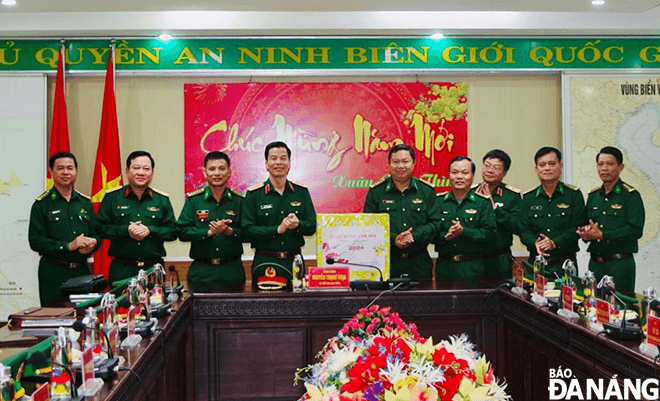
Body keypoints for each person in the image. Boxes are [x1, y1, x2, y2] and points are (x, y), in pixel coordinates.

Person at [242, 141, 316, 289]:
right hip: (265, 261)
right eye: (273, 158)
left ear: (289, 163)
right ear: (266, 164)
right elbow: (246, 231)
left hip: (294, 261)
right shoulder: (254, 194)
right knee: (263, 309)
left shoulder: (301, 192)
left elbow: (312, 226)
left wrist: (298, 224)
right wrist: (277, 230)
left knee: (298, 308)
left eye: (283, 158)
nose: (278, 162)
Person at [28, 152, 99, 306]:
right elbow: (35, 241)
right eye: (60, 168)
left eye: (70, 168)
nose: (65, 172)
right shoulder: (42, 204)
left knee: (83, 318)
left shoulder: (84, 203)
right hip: (54, 273)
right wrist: (69, 246)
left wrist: (93, 243)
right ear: (51, 172)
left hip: (81, 272)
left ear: (76, 171)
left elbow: (96, 234)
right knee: (55, 319)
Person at [97, 150, 177, 285]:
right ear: (127, 171)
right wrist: (126, 231)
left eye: (146, 169)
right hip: (122, 269)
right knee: (121, 306)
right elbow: (99, 228)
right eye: (136, 168)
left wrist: (150, 230)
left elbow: (173, 231)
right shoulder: (112, 198)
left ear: (152, 172)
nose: (141, 172)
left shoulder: (161, 200)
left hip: (153, 270)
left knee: (155, 306)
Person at [363, 144, 441, 279]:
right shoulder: (376, 192)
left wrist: (413, 237)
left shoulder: (426, 191)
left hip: (419, 263)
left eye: (405, 161)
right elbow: (368, 225)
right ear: (389, 164)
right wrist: (394, 239)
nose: (400, 166)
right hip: (387, 262)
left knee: (422, 300)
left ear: (414, 163)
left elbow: (435, 223)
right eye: (395, 162)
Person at [577, 146, 644, 293]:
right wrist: (584, 232)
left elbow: (635, 230)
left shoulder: (630, 196)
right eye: (600, 164)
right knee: (592, 309)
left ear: (620, 167)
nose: (604, 168)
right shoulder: (594, 196)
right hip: (595, 264)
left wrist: (603, 235)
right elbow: (585, 224)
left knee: (618, 310)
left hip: (619, 266)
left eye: (609, 164)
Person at [177, 151, 245, 290]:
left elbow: (250, 232)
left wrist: (229, 231)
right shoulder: (194, 201)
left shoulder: (239, 201)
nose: (217, 173)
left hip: (232, 271)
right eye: (212, 169)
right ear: (205, 172)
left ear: (229, 172)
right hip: (201, 272)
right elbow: (181, 232)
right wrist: (208, 232)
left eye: (221, 168)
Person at [520, 147, 586, 276]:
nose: (547, 168)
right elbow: (523, 230)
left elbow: (578, 227)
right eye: (542, 165)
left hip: (565, 265)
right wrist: (536, 243)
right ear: (536, 169)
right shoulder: (529, 198)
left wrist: (555, 243)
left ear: (560, 166)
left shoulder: (573, 195)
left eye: (552, 164)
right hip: (536, 263)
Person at [434, 156, 496, 282]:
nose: (459, 177)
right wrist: (445, 237)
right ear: (449, 175)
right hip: (445, 267)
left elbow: (490, 234)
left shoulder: (482, 203)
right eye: (455, 172)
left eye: (465, 172)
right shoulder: (438, 202)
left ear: (472, 176)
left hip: (472, 267)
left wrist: (464, 231)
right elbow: (430, 232)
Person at [473, 149, 522, 279]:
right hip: (472, 259)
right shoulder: (470, 192)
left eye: (496, 168)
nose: (489, 170)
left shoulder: (511, 196)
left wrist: (492, 204)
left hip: (499, 259)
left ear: (504, 172)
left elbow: (517, 226)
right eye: (487, 166)